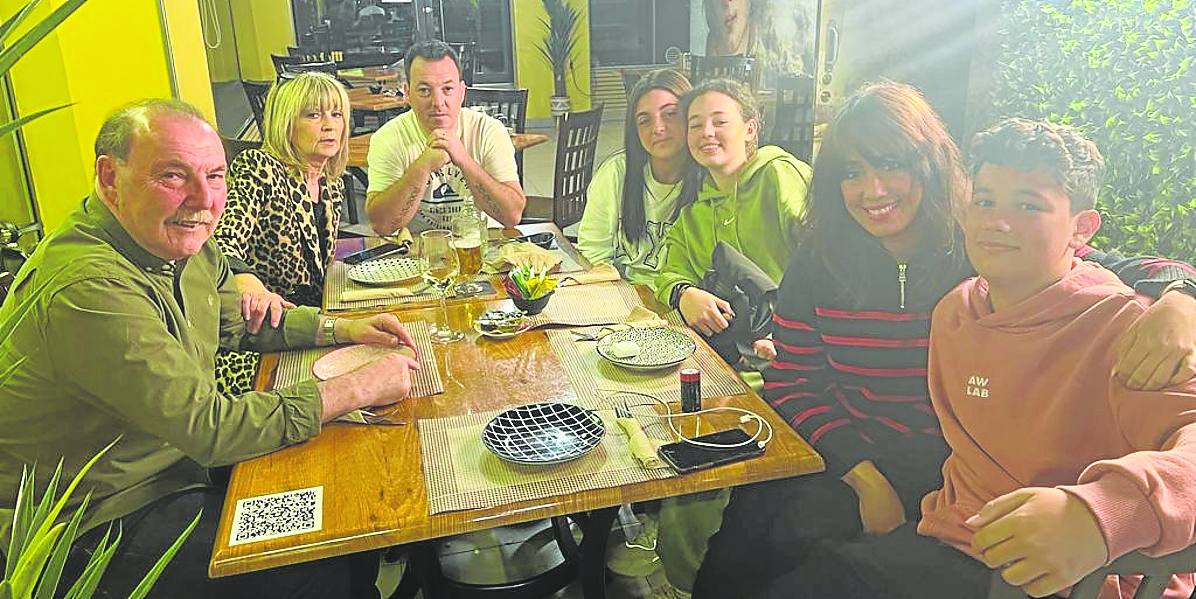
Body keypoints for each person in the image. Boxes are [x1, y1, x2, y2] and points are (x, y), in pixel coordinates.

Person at [692, 83, 1196, 599]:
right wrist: (864, 477)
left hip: (953, 475)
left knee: (810, 552)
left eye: (891, 164)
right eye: (852, 172)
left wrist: (1182, 294)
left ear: (931, 167)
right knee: (740, 547)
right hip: (858, 454)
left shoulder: (982, 248)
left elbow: (1087, 264)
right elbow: (793, 381)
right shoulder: (836, 264)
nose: (873, 189)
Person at [0, 99, 423, 599]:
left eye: (215, 175)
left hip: (178, 469)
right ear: (110, 177)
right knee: (314, 561)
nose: (203, 200)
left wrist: (343, 329)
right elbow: (210, 428)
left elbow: (244, 323)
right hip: (96, 524)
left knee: (340, 507)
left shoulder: (176, 239)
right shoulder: (88, 287)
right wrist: (357, 386)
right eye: (173, 176)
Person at [213, 71, 351, 395]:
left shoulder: (332, 183)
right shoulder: (259, 167)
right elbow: (222, 240)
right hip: (264, 337)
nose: (329, 124)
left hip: (314, 325)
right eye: (313, 114)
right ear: (287, 123)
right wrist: (243, 277)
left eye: (337, 114)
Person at [655, 77, 812, 336]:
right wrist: (685, 294)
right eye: (695, 125)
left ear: (750, 129)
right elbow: (668, 274)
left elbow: (825, 258)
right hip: (732, 352)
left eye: (720, 122)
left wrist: (786, 331)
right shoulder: (695, 214)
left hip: (797, 342)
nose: (706, 132)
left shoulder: (778, 175)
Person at [365, 40, 524, 234]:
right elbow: (382, 226)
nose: (438, 102)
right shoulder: (387, 138)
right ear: (407, 93)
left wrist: (464, 160)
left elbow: (512, 217)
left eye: (447, 89)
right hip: (417, 253)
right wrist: (423, 166)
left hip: (481, 247)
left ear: (462, 92)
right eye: (424, 90)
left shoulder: (489, 130)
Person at [576, 69, 698, 287]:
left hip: (685, 302)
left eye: (670, 114)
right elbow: (592, 253)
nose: (658, 128)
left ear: (691, 116)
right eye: (644, 120)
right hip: (620, 297)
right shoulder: (616, 173)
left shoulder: (708, 180)